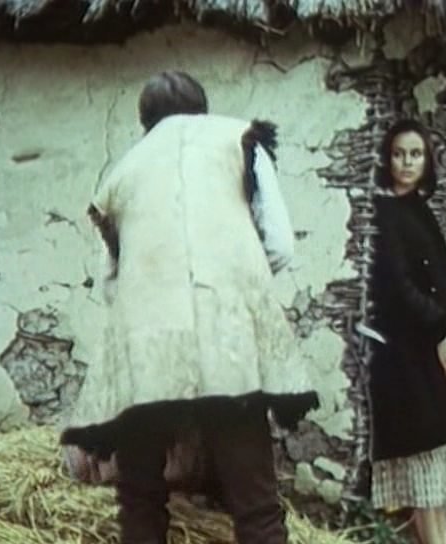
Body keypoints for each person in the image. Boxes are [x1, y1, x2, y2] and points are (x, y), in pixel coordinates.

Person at [58, 71, 319, 544]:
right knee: (256, 505)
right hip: (228, 345)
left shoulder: (122, 172)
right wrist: (237, 288)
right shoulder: (240, 140)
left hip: (146, 352)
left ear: (145, 121)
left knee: (140, 501)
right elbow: (280, 244)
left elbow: (111, 281)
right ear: (202, 107)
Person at [366, 119, 446, 544]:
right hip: (409, 351)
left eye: (415, 154)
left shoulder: (416, 207)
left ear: (426, 160)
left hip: (432, 347)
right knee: (423, 457)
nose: (407, 163)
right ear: (387, 159)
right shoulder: (384, 214)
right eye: (399, 154)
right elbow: (399, 288)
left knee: (438, 459)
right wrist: (439, 333)